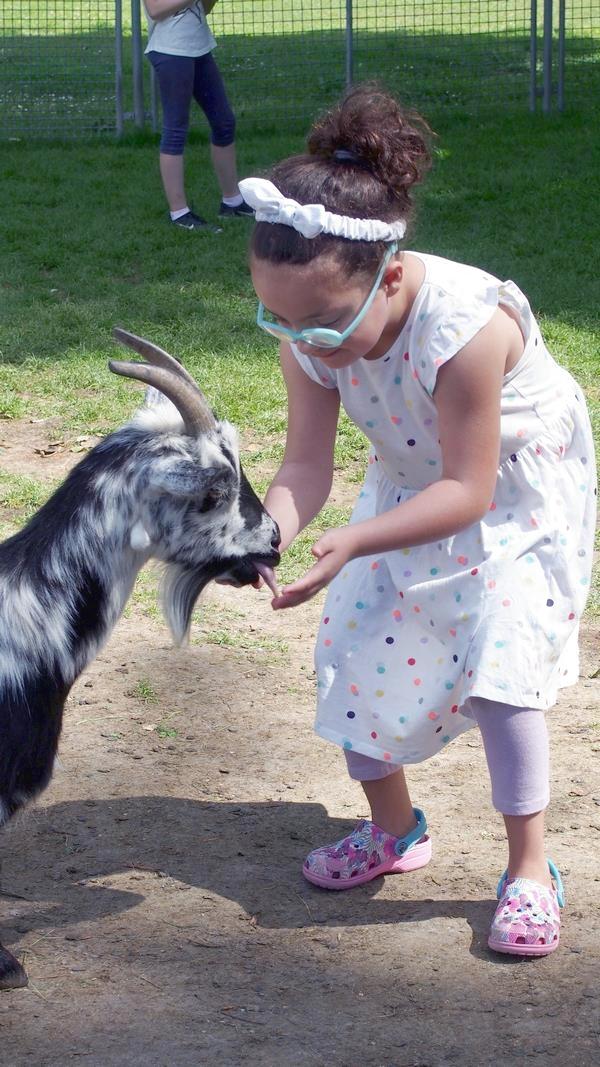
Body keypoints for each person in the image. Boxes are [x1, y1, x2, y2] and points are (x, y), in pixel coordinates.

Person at [237, 84, 597, 957]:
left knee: (502, 671)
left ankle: (526, 867)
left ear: (390, 274)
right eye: (278, 319)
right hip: (408, 485)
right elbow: (306, 466)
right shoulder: (309, 334)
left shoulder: (465, 326)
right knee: (353, 650)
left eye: (320, 320)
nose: (302, 339)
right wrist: (270, 532)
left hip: (511, 490)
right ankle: (395, 831)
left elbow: (470, 492)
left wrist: (355, 539)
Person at [143, 0, 254, 231]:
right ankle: (179, 213)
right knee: (175, 130)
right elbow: (155, 10)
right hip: (170, 50)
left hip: (199, 46)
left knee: (224, 123)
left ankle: (231, 202)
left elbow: (204, 8)